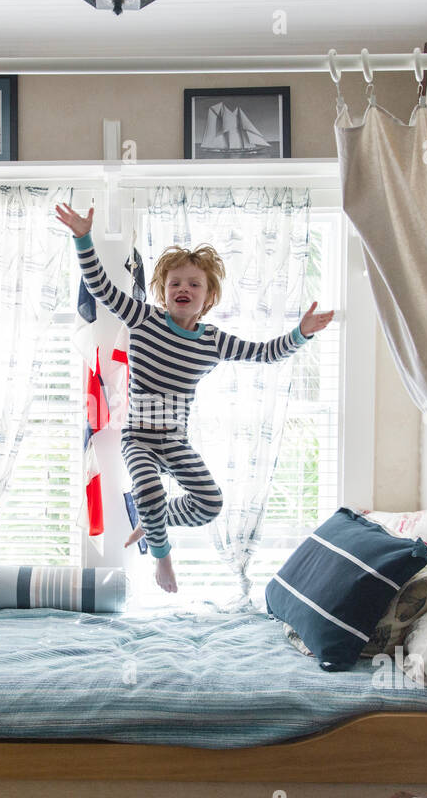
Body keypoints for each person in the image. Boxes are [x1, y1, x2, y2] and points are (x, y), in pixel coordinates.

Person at [55, 202, 335, 592]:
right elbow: (100, 287)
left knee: (210, 503)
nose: (183, 289)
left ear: (209, 296)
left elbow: (266, 354)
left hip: (174, 441)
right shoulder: (143, 318)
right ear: (162, 291)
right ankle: (161, 558)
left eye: (193, 284)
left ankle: (153, 519)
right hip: (138, 437)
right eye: (174, 283)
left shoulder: (212, 342)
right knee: (148, 490)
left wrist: (300, 333)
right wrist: (83, 237)